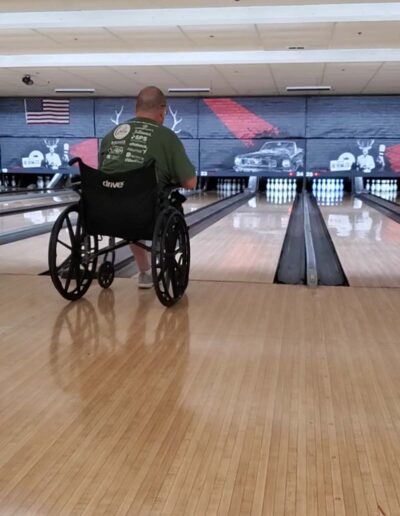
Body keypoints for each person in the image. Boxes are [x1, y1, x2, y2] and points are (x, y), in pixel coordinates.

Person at [99, 86, 197, 289]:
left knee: (131, 202)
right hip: (144, 212)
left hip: (105, 210)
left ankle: (144, 272)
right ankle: (156, 266)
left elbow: (104, 172)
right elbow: (190, 183)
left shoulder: (111, 134)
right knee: (156, 205)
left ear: (136, 108)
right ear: (163, 111)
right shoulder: (167, 137)